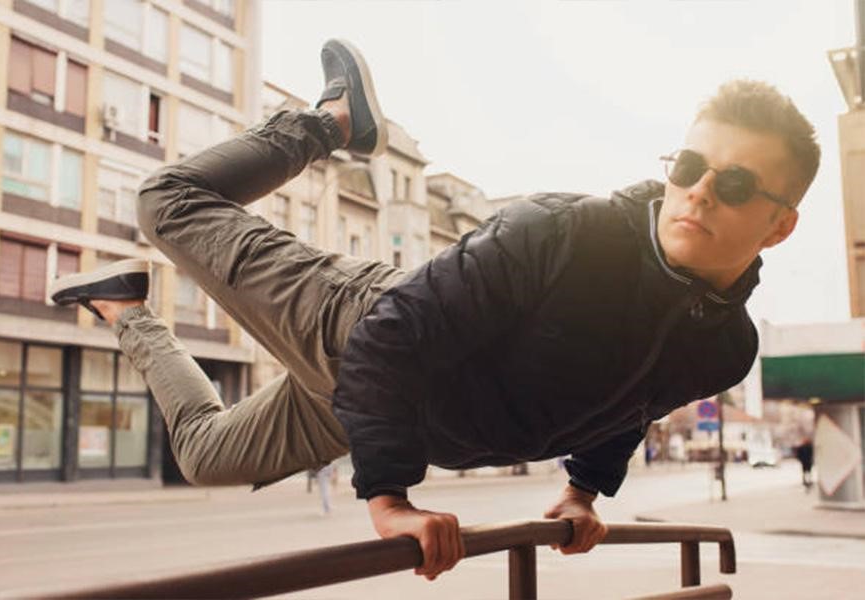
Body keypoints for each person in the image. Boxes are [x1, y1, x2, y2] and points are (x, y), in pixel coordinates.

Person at [50, 39, 820, 581]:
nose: (702, 191)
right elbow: (389, 346)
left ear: (780, 224)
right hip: (367, 333)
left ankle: (125, 308)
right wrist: (389, 500)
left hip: (389, 403)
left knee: (205, 456)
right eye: (689, 165)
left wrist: (584, 492)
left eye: (740, 184)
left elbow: (630, 401)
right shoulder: (563, 233)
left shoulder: (724, 348)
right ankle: (333, 121)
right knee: (166, 200)